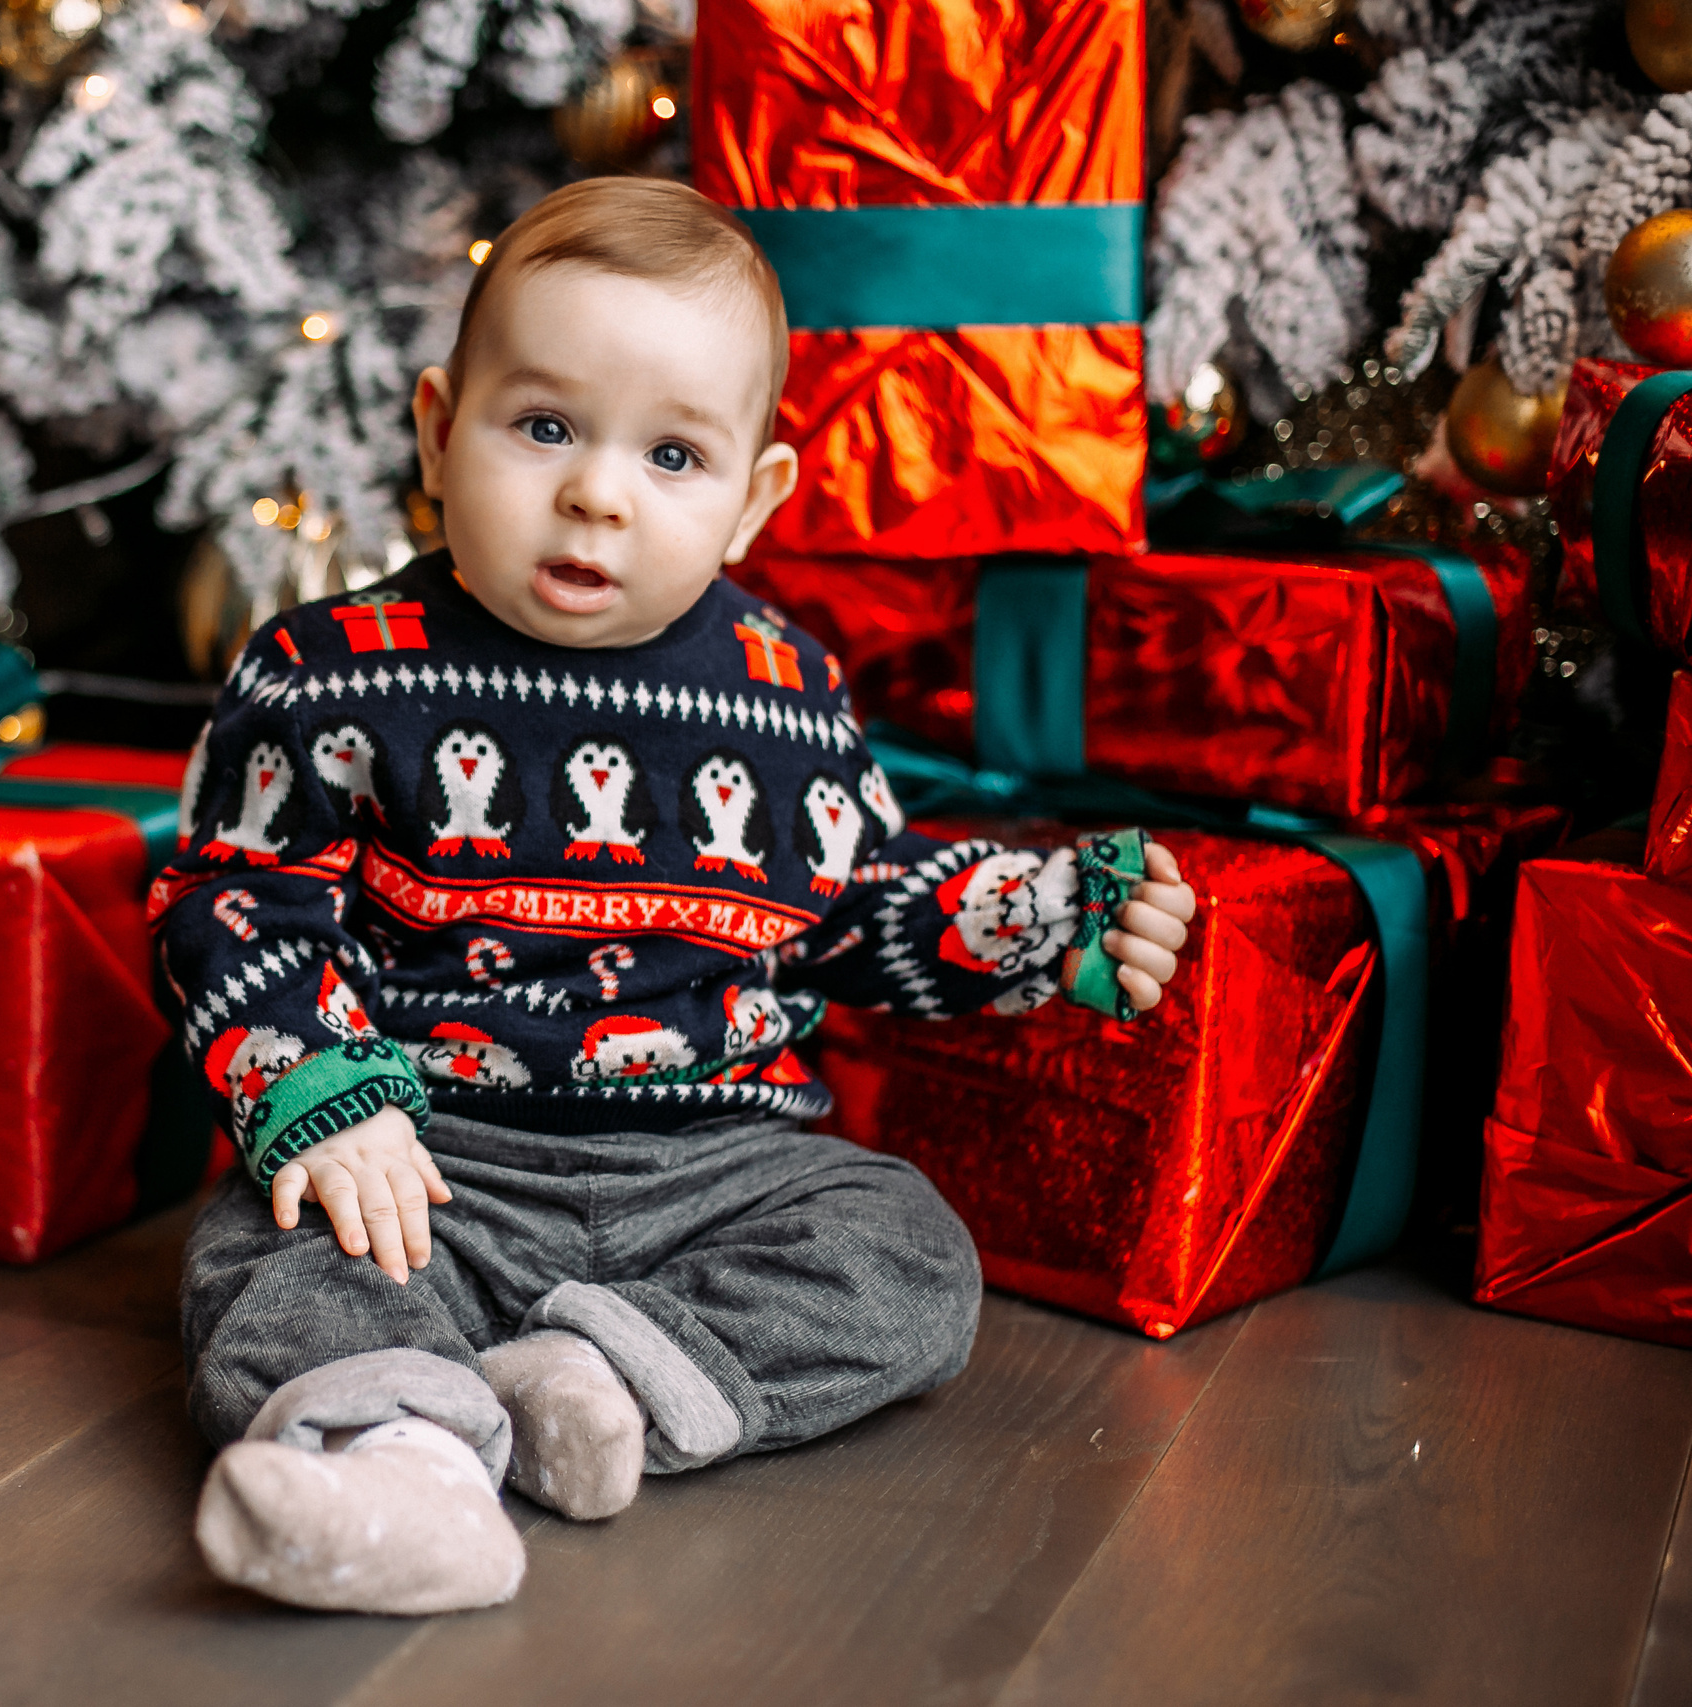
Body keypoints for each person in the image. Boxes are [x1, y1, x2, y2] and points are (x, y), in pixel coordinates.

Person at [148, 176, 1198, 1616]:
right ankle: (402, 1471)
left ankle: (602, 1377)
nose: (598, 491)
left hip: (717, 1167)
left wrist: (1046, 915)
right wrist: (327, 1098)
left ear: (754, 499)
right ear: (438, 431)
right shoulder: (333, 672)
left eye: (673, 454)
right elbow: (239, 896)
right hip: (437, 1162)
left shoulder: (787, 690)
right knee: (272, 1262)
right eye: (543, 427)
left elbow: (854, 902)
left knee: (907, 1254)